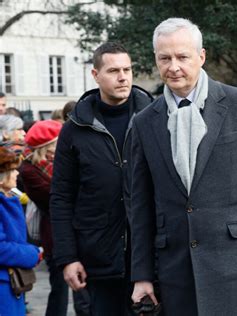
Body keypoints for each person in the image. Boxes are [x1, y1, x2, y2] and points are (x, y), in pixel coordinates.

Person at [129, 18, 237, 315]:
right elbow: (140, 204)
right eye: (164, 58)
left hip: (235, 263)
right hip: (176, 270)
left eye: (182, 57)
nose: (173, 67)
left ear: (201, 56)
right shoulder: (144, 122)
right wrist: (142, 275)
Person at [50, 42, 153, 315]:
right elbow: (61, 197)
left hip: (152, 254)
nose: (123, 77)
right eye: (114, 70)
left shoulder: (155, 118)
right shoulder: (74, 129)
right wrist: (67, 258)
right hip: (99, 257)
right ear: (95, 75)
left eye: (127, 69)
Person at [19, 120, 68, 315]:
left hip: (75, 229)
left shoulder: (61, 162)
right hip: (53, 233)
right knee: (60, 286)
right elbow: (53, 197)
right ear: (47, 146)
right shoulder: (29, 170)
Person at [0, 146, 42, 316]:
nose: (17, 174)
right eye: (12, 170)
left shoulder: (7, 198)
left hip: (9, 283)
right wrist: (32, 254)